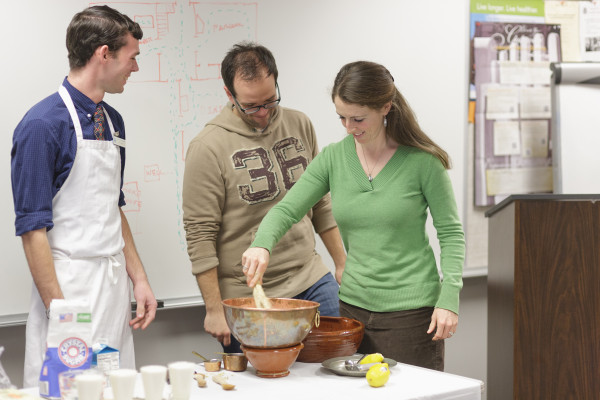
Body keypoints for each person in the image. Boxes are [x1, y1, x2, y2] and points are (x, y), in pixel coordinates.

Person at [242, 61, 465, 371]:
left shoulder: (423, 163)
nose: (349, 127)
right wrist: (261, 245)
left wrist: (449, 298)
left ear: (386, 107)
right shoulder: (334, 157)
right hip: (353, 313)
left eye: (358, 118)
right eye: (342, 118)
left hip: (411, 317)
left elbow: (451, 235)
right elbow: (287, 208)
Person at [11, 5, 157, 387]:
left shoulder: (113, 122)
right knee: (65, 390)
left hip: (112, 287)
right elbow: (32, 230)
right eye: (132, 57)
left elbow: (113, 205)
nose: (135, 68)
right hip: (68, 287)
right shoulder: (42, 126)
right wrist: (61, 313)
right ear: (103, 54)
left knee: (117, 386)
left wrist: (138, 279)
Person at [182, 42, 346, 353]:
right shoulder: (208, 147)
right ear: (229, 95)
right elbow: (200, 236)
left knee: (333, 374)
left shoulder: (299, 124)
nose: (262, 113)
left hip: (311, 279)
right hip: (248, 296)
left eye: (270, 101)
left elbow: (320, 203)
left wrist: (341, 264)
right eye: (251, 106)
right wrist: (215, 310)